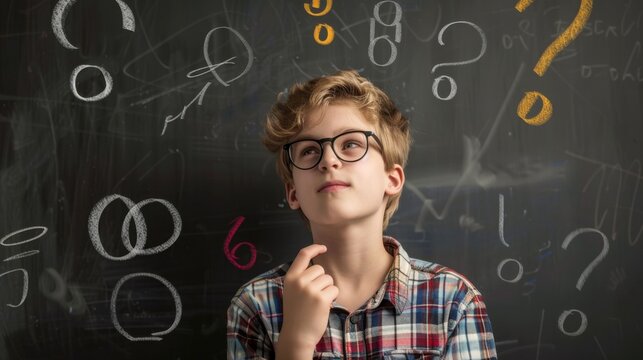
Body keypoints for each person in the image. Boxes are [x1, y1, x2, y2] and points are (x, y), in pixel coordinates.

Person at [227, 70, 497, 359]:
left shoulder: (452, 300)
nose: (329, 160)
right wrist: (297, 342)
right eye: (308, 150)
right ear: (293, 193)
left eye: (351, 144)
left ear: (391, 179)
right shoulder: (256, 305)